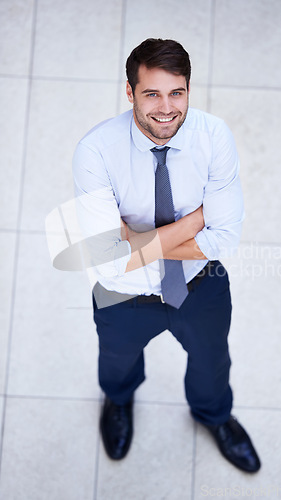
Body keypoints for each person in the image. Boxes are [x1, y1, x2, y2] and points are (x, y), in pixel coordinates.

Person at [72, 38, 261, 473]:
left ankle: (213, 415)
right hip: (123, 293)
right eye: (151, 93)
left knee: (212, 360)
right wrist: (193, 223)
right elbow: (108, 261)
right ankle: (118, 400)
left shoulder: (213, 137)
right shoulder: (96, 152)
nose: (166, 108)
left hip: (199, 283)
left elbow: (225, 240)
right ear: (130, 92)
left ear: (189, 91)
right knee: (116, 360)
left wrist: (134, 241)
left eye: (176, 93)